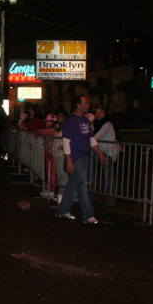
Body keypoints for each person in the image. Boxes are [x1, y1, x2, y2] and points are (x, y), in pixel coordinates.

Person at [55, 95, 106, 224]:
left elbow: (91, 139)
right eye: (86, 103)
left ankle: (62, 210)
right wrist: (69, 160)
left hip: (84, 156)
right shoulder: (70, 121)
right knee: (82, 184)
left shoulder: (86, 121)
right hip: (75, 157)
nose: (88, 105)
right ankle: (88, 215)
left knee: (73, 185)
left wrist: (99, 153)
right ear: (79, 105)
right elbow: (66, 142)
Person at [93, 105, 119, 207]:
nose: (98, 114)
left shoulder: (107, 124)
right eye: (97, 112)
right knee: (105, 175)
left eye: (101, 112)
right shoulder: (98, 124)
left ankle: (111, 200)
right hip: (101, 151)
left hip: (108, 152)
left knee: (108, 175)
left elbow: (96, 137)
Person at [33, 114, 58, 199]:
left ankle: (51, 190)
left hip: (52, 153)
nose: (46, 123)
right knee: (49, 172)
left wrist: (38, 132)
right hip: (49, 153)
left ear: (52, 122)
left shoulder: (52, 130)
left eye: (48, 121)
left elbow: (42, 132)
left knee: (52, 172)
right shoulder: (51, 130)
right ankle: (49, 189)